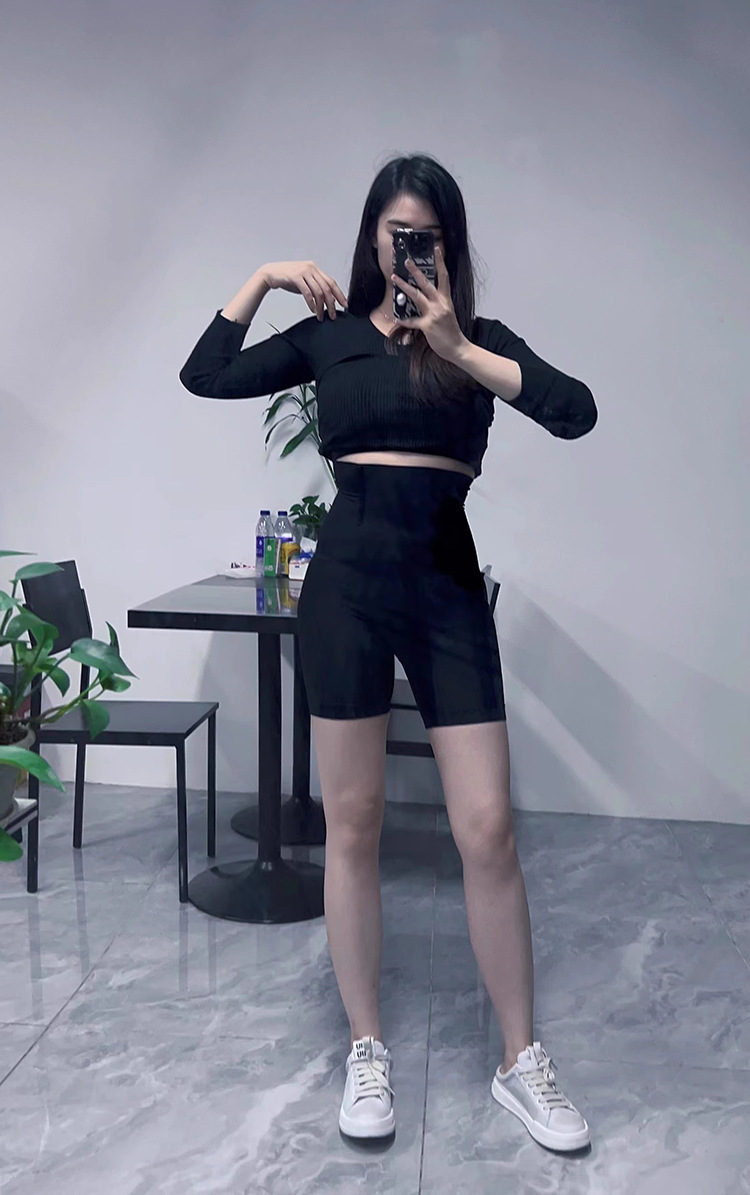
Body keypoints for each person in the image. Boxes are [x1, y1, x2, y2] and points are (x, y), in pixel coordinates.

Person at [179, 153, 598, 1151]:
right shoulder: (329, 337)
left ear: (448, 245)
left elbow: (574, 410)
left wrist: (456, 345)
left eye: (428, 236)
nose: (410, 249)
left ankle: (520, 1058)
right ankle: (366, 1046)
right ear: (371, 237)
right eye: (396, 232)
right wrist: (267, 276)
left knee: (488, 827)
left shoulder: (478, 342)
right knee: (355, 823)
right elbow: (207, 374)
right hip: (349, 588)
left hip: (446, 586)